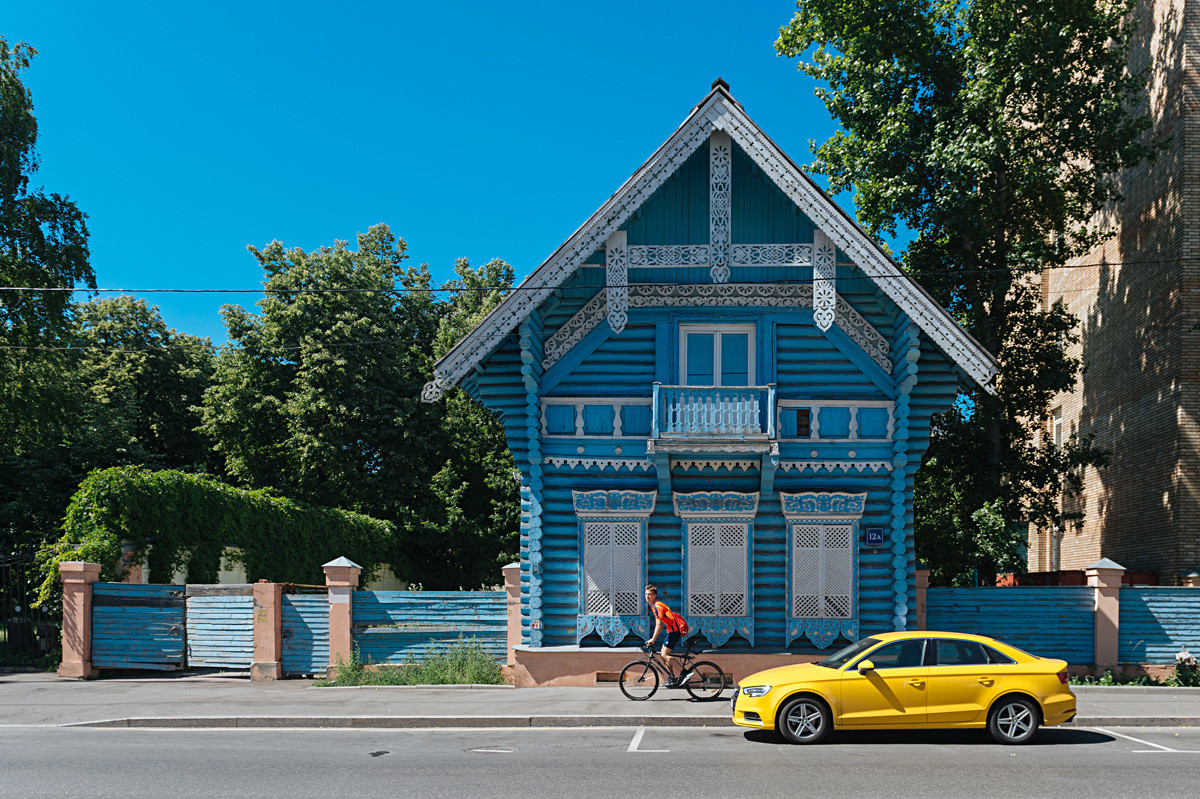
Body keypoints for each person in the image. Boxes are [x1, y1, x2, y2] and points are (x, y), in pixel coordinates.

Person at [644, 584, 686, 687]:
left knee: (665, 655)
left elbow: (659, 624)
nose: (647, 596)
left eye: (650, 594)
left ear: (654, 595)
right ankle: (672, 678)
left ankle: (685, 672)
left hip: (674, 632)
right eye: (646, 594)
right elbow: (662, 623)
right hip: (671, 632)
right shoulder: (655, 606)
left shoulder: (657, 606)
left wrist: (653, 639)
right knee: (663, 655)